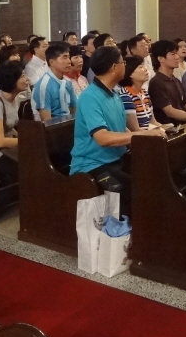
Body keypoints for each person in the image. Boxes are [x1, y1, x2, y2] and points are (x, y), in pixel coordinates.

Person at [70, 46, 165, 217]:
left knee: (153, 177)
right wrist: (144, 134)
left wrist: (147, 139)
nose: (125, 66)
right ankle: (129, 231)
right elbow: (102, 138)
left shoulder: (114, 94)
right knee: (131, 191)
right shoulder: (90, 97)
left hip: (117, 159)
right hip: (93, 165)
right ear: (114, 67)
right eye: (123, 62)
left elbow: (123, 129)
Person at [148, 40, 186, 125]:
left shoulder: (175, 80)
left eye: (176, 53)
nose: (177, 57)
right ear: (161, 59)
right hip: (171, 128)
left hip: (184, 125)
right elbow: (170, 111)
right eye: (173, 54)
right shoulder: (156, 82)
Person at [117, 56, 167, 134]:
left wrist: (164, 127)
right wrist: (155, 132)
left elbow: (153, 122)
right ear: (130, 74)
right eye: (141, 67)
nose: (146, 69)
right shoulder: (125, 96)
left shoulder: (144, 93)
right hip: (140, 138)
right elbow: (135, 129)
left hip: (150, 134)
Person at [31, 42, 77, 122]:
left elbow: (74, 110)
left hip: (68, 124)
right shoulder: (44, 85)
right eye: (64, 57)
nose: (69, 61)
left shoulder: (68, 82)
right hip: (52, 127)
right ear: (52, 62)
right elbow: (46, 121)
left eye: (68, 57)